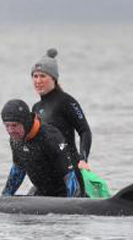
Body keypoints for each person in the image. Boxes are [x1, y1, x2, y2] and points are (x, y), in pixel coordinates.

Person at [30, 48, 92, 193]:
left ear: (53, 78)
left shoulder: (66, 101)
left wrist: (83, 159)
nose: (38, 81)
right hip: (49, 174)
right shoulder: (36, 108)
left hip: (70, 170)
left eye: (43, 76)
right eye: (35, 76)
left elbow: (85, 131)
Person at [1, 99, 81, 197]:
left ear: (26, 122)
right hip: (42, 194)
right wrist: (5, 197)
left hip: (65, 194)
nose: (10, 130)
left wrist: (71, 205)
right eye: (7, 125)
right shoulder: (15, 140)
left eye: (14, 125)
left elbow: (70, 176)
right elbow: (18, 171)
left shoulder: (50, 137)